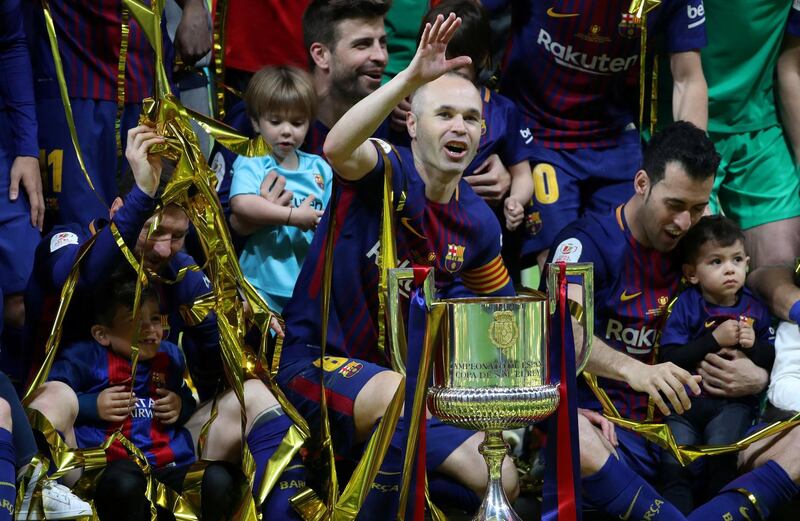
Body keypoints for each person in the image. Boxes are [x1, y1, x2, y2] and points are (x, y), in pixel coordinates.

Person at [279, 13, 518, 516]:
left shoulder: (477, 222)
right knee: (397, 397)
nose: (459, 127)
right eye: (443, 114)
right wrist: (410, 79)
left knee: (502, 476)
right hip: (315, 364)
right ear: (412, 123)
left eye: (471, 118)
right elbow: (336, 146)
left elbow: (508, 317)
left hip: (407, 394)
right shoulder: (384, 169)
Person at [25, 125, 307, 519]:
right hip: (83, 447)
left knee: (255, 396)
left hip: (158, 440)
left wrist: (241, 323)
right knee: (55, 399)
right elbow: (80, 278)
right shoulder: (70, 237)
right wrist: (144, 196)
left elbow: (215, 365)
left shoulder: (179, 270)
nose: (163, 249)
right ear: (119, 209)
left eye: (177, 236)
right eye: (153, 231)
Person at [548, 121, 800, 521]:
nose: (684, 222)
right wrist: (635, 370)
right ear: (643, 183)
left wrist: (759, 378)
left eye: (698, 208)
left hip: (703, 437)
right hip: (617, 437)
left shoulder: (699, 247)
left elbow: (759, 280)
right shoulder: (584, 244)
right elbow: (563, 329)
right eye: (676, 204)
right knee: (570, 435)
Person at [482, 0, 708, 270]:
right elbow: (462, 14)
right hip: (536, 133)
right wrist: (488, 143)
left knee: (623, 263)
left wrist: (694, 181)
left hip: (615, 137)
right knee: (562, 268)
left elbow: (688, 79)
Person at [35, 274, 238, 521]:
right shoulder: (84, 358)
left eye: (155, 319)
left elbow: (187, 397)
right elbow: (54, 401)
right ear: (102, 334)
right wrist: (92, 405)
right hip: (111, 472)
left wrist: (180, 404)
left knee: (217, 478)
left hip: (166, 469)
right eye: (135, 321)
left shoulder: (170, 357)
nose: (151, 330)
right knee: (126, 481)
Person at [211, 0, 391, 248]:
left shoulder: (386, 126)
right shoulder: (257, 115)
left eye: (383, 43)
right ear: (321, 55)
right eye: (363, 44)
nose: (381, 56)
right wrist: (246, 223)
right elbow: (205, 224)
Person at [22, 0, 211, 227]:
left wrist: (194, 5)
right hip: (74, 75)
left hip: (147, 79)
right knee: (81, 225)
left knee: (157, 224)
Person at [657, 215, 775, 513]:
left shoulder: (756, 308)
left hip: (731, 406)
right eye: (716, 262)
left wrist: (754, 346)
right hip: (684, 406)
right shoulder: (686, 304)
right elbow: (669, 356)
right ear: (692, 272)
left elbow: (772, 358)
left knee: (721, 462)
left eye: (737, 259)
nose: (730, 269)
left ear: (748, 262)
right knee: (674, 465)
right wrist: (714, 339)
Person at [413, 0, 532, 231]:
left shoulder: (503, 111)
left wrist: (515, 200)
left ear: (481, 58)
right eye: (435, 60)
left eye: (455, 65)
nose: (443, 70)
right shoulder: (409, 104)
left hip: (480, 226)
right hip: (421, 222)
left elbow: (523, 174)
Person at [229, 66, 332, 313]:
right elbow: (241, 203)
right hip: (258, 284)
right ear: (255, 122)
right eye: (275, 121)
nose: (286, 130)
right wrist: (293, 217)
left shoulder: (320, 168)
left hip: (306, 286)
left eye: (297, 122)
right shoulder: (254, 159)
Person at [0, 0, 43, 386]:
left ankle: (17, 418)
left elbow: (11, 44)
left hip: (4, 148)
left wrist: (27, 150)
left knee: (21, 294)